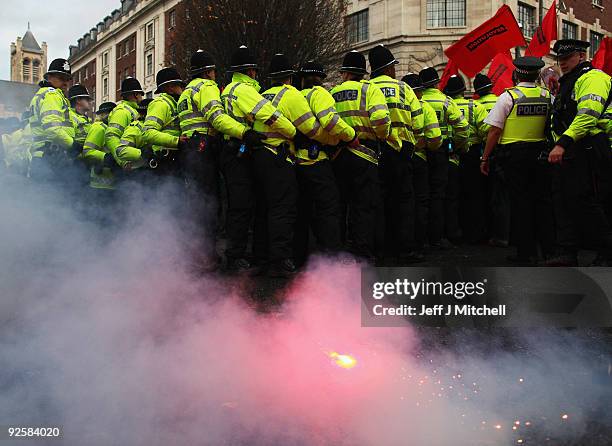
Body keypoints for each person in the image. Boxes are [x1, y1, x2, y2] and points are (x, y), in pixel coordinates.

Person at [178, 50, 259, 271]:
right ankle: (206, 259)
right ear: (207, 72)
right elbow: (216, 117)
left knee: (197, 203)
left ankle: (196, 255)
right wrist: (243, 132)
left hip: (191, 151)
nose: (215, 75)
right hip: (205, 148)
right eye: (213, 71)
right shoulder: (206, 87)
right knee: (210, 205)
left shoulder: (186, 92)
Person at [220, 45, 295, 273]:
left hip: (231, 149)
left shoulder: (227, 90)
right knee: (244, 206)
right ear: (251, 71)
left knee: (239, 205)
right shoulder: (245, 90)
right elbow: (270, 115)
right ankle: (237, 257)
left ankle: (243, 254)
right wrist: (293, 133)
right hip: (241, 151)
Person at [250, 54, 322, 276]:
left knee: (262, 209)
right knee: (283, 209)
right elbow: (311, 128)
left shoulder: (261, 94)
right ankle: (280, 261)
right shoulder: (291, 95)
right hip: (279, 158)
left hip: (257, 156)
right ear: (290, 77)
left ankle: (260, 258)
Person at [480, 57, 555, 264]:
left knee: (521, 205)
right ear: (537, 75)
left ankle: (526, 253)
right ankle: (549, 251)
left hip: (514, 157)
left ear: (517, 74)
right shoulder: (547, 96)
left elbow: (495, 131)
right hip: (540, 154)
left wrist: (484, 158)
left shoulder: (508, 97)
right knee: (542, 203)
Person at [547, 39, 612, 266]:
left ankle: (606, 252)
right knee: (565, 202)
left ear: (582, 57)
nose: (562, 63)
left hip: (590, 148)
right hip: (572, 149)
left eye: (567, 59)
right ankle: (567, 252)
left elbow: (587, 116)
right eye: (560, 59)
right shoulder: (569, 81)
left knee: (589, 202)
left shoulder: (593, 78)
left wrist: (562, 144)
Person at [294, 60, 358, 267]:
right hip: (317, 160)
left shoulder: (295, 95)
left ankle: (300, 257)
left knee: (301, 210)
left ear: (301, 79)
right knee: (328, 208)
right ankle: (330, 257)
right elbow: (329, 120)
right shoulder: (319, 94)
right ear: (320, 78)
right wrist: (349, 135)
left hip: (294, 161)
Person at [330, 50, 390, 262]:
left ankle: (338, 251)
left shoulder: (334, 92)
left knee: (340, 204)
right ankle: (361, 252)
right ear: (362, 73)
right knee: (364, 205)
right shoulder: (370, 90)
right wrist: (381, 136)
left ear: (345, 72)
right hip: (365, 154)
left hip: (338, 154)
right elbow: (381, 117)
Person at [369, 45, 425, 263]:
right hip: (402, 152)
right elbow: (418, 123)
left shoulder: (365, 88)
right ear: (388, 68)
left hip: (374, 152)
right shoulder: (404, 89)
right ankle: (405, 249)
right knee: (403, 201)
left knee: (377, 201)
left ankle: (380, 249)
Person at [419, 66, 469, 249]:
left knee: (422, 195)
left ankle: (422, 237)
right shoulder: (446, 102)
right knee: (440, 195)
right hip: (442, 152)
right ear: (437, 83)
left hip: (420, 151)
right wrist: (459, 146)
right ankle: (438, 237)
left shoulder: (418, 100)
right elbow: (462, 128)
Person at [444, 75, 490, 244]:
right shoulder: (475, 105)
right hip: (473, 153)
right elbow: (486, 129)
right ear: (464, 91)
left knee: (454, 195)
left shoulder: (448, 105)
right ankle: (476, 232)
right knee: (475, 194)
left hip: (452, 153)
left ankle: (456, 232)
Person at [401, 73, 442, 258]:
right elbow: (434, 138)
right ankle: (420, 242)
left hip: (398, 158)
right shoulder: (425, 108)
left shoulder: (397, 106)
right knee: (421, 202)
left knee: (400, 201)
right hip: (419, 159)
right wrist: (426, 145)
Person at [28, 58, 81, 187]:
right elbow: (52, 128)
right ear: (49, 77)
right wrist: (72, 145)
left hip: (44, 157)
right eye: (61, 78)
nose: (66, 83)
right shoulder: (52, 95)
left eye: (68, 79)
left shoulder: (43, 94)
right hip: (51, 158)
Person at [473, 73, 509, 248]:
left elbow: (484, 131)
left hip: (484, 151)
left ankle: (489, 232)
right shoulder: (501, 100)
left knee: (484, 195)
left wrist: (483, 157)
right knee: (502, 194)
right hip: (503, 150)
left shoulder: (477, 105)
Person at [106, 77, 144, 164]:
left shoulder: (133, 110)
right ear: (135, 94)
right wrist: (123, 162)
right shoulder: (122, 111)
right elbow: (111, 136)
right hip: (128, 167)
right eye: (141, 94)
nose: (141, 98)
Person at [82, 101, 116, 195]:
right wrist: (105, 157)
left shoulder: (109, 128)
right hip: (100, 187)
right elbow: (88, 151)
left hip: (111, 184)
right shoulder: (99, 128)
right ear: (103, 114)